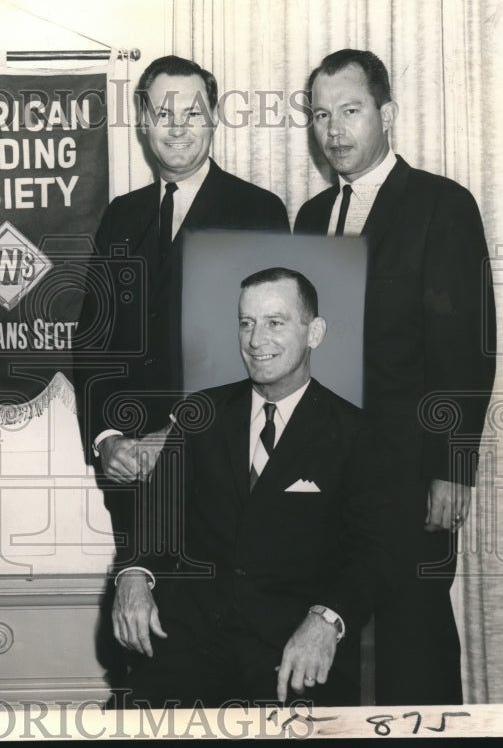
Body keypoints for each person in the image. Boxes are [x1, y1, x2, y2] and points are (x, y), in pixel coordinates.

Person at [294, 49, 496, 705]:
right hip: (329, 478)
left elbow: (467, 347)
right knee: (332, 639)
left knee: (417, 645)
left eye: (350, 111)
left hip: (415, 474)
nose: (334, 130)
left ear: (387, 114)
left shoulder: (443, 205)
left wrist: (453, 464)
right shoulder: (310, 216)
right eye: (322, 114)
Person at [110, 268, 384, 708]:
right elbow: (154, 518)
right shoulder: (201, 412)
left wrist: (327, 619)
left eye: (275, 322)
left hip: (291, 645)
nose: (256, 340)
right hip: (191, 642)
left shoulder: (355, 433)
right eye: (246, 322)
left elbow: (372, 552)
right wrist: (133, 577)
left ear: (314, 332)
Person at [74, 55, 289, 549]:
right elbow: (92, 339)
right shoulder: (120, 216)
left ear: (213, 119)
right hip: (130, 474)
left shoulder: (258, 212)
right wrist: (106, 439)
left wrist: (174, 432)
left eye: (191, 113)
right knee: (138, 614)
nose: (176, 128)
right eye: (162, 113)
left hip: (221, 465)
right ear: (144, 121)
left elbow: (270, 349)